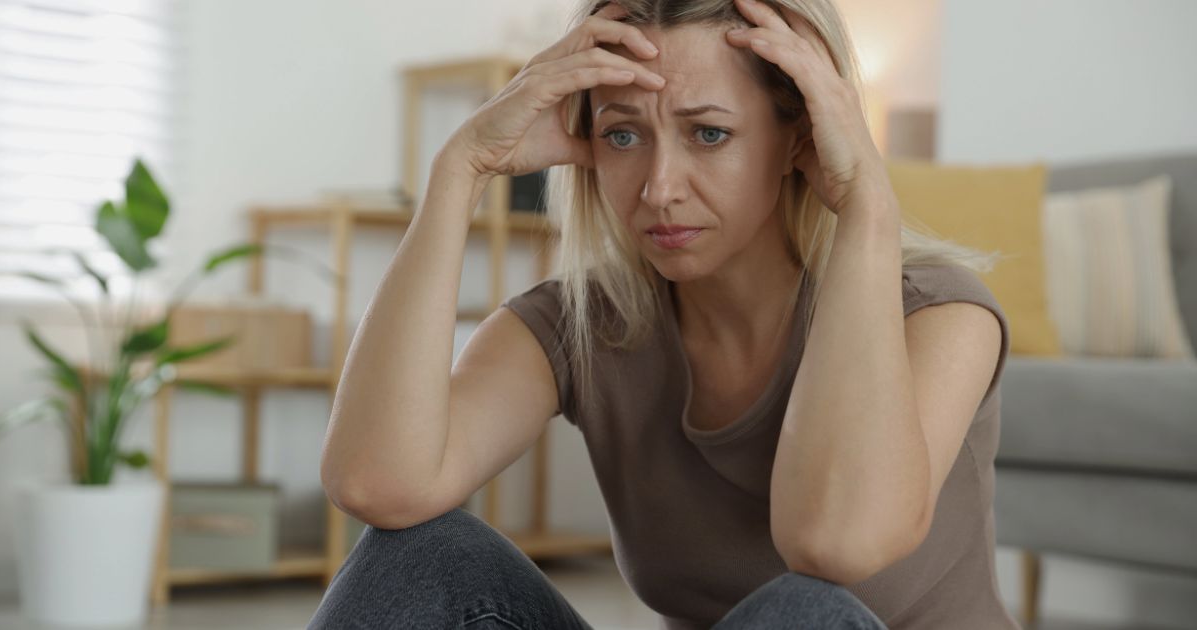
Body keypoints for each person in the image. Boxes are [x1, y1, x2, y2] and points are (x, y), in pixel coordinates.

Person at [312, 0, 1021, 628]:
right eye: (623, 136)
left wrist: (868, 205)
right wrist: (459, 169)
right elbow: (380, 485)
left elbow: (836, 544)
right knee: (425, 555)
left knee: (808, 608)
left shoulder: (935, 315)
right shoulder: (584, 324)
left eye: (709, 134)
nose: (659, 188)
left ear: (800, 141)